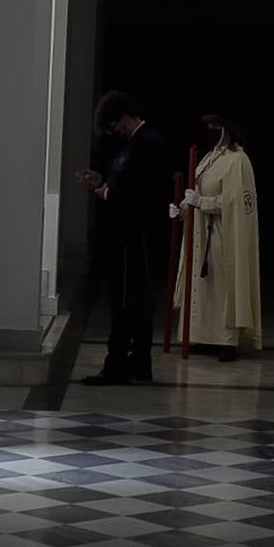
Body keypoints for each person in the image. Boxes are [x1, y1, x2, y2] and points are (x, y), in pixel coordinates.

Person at [75, 91, 166, 385]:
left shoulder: (146, 143)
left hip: (134, 234)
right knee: (133, 300)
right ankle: (136, 363)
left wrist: (106, 191)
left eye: (116, 126)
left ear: (125, 118)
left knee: (127, 301)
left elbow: (137, 190)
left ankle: (120, 365)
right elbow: (123, 182)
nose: (115, 132)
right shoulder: (135, 143)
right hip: (128, 232)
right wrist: (102, 184)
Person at [171, 114, 262, 361]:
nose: (210, 131)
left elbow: (237, 203)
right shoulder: (209, 158)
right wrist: (182, 208)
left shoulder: (238, 161)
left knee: (223, 288)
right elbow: (196, 191)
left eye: (215, 127)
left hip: (223, 236)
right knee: (203, 288)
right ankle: (202, 337)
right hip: (201, 233)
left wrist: (203, 203)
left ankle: (226, 341)